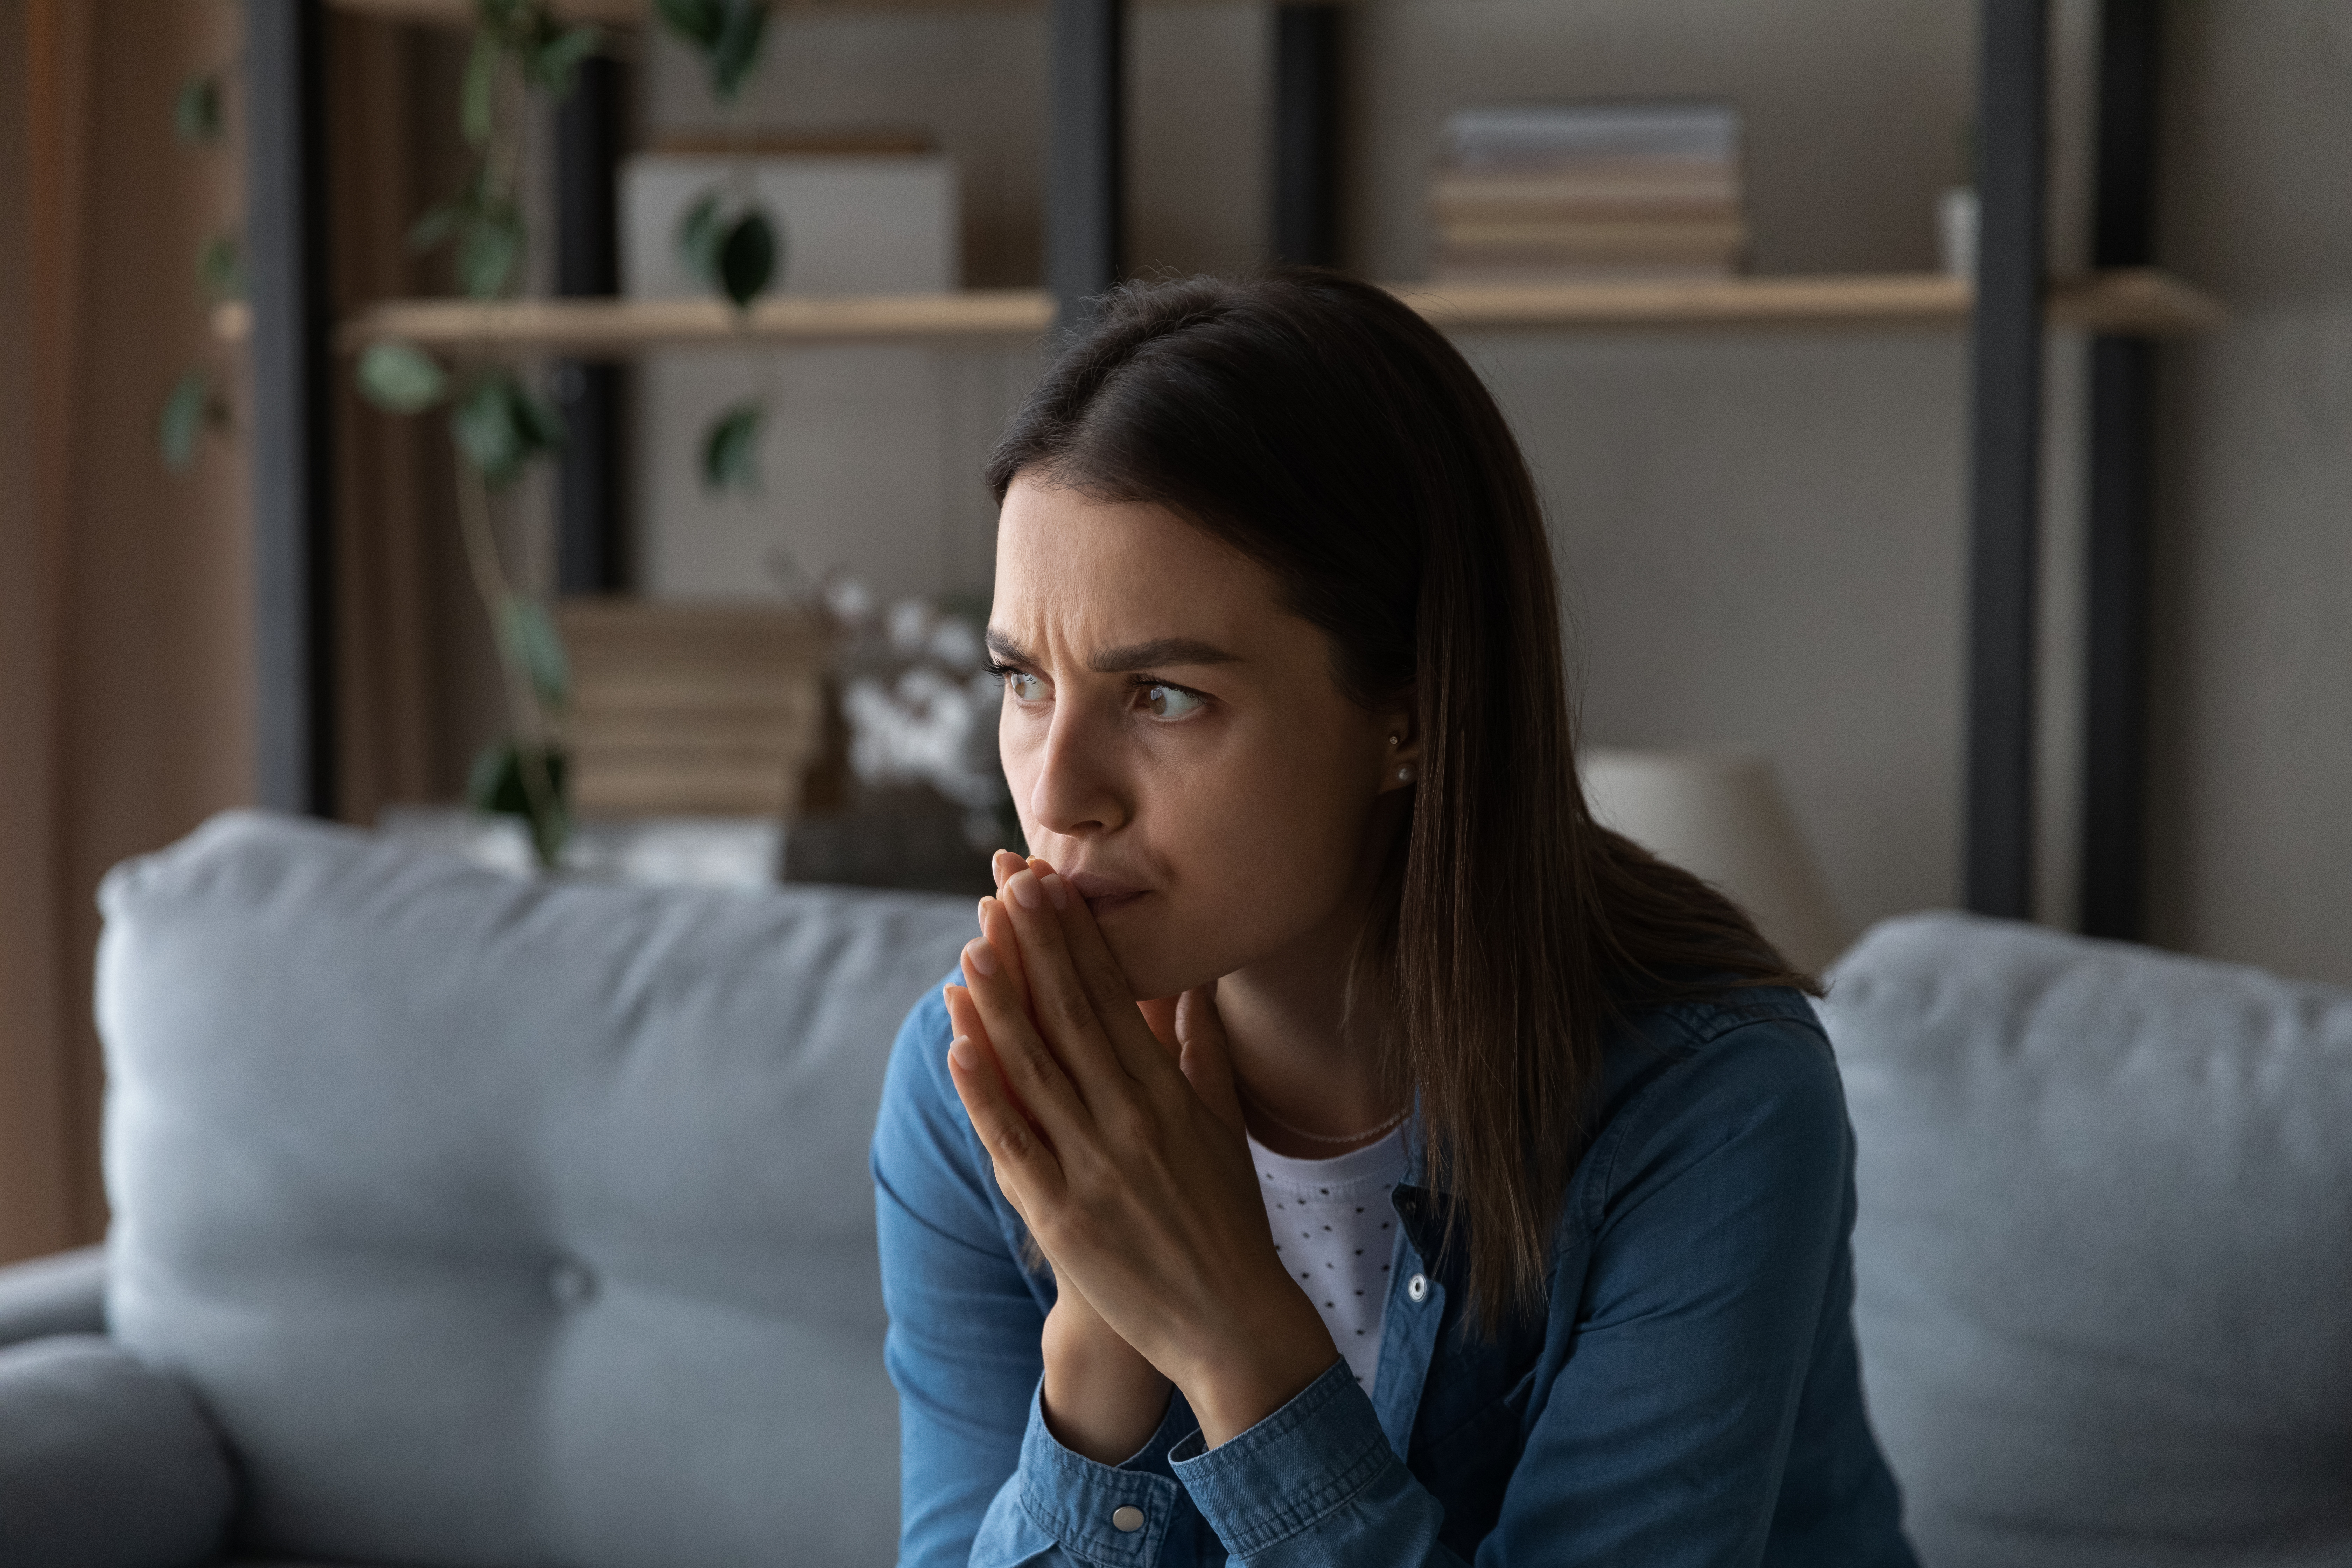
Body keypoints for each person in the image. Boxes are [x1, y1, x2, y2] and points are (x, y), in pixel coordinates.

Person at [869, 269, 1918, 1567]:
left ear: (1408, 712)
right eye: (1025, 682)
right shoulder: (964, 1081)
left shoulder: (1705, 1101)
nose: (1058, 790)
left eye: (1164, 696)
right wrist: (1099, 1320)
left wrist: (1227, 1333)